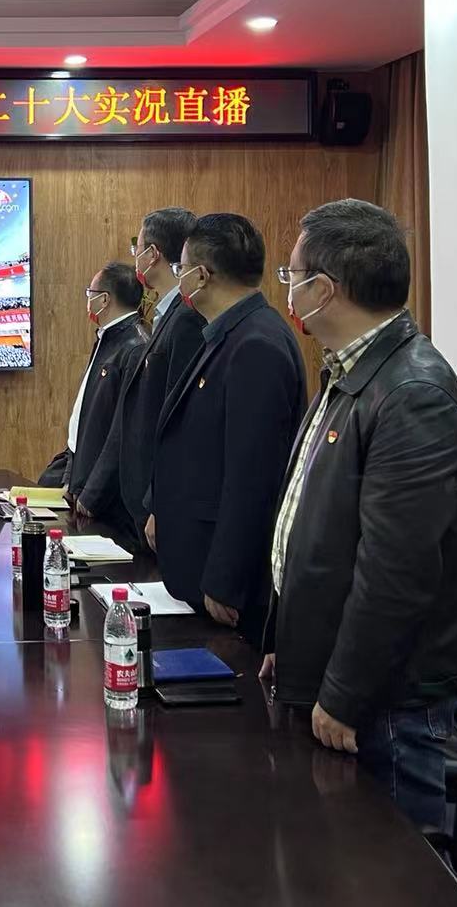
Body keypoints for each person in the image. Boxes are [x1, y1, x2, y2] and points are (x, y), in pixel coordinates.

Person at [261, 199, 457, 835]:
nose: (288, 288)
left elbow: (395, 572)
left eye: (292, 274)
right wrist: (287, 645)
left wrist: (343, 692)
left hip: (388, 703)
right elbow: (308, 526)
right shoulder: (350, 372)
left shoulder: (411, 393)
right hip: (340, 675)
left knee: (388, 869)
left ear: (324, 290)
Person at [150, 214, 305, 645]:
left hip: (228, 590)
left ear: (201, 276)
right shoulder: (227, 333)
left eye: (181, 269)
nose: (179, 278)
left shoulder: (256, 345)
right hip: (196, 563)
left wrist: (225, 578)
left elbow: (254, 476)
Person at [83, 207, 205, 536]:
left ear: (153, 254)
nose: (134, 256)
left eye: (136, 248)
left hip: (154, 506)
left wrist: (156, 503)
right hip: (138, 500)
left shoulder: (187, 320)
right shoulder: (165, 316)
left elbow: (177, 423)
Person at [61, 262, 147, 519]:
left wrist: (93, 492)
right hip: (84, 482)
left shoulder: (134, 347)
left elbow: (122, 430)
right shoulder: (106, 338)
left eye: (91, 293)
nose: (88, 300)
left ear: (105, 299)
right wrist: (71, 478)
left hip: (108, 500)